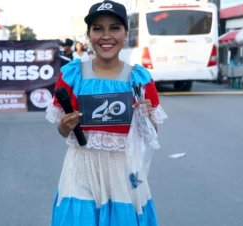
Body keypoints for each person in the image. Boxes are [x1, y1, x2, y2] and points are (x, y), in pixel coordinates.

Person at [45, 1, 167, 225]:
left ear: (125, 34)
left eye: (114, 27)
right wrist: (65, 126)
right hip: (81, 167)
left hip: (126, 169)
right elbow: (62, 130)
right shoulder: (72, 75)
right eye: (98, 28)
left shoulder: (139, 78)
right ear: (89, 34)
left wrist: (147, 118)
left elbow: (152, 133)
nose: (106, 35)